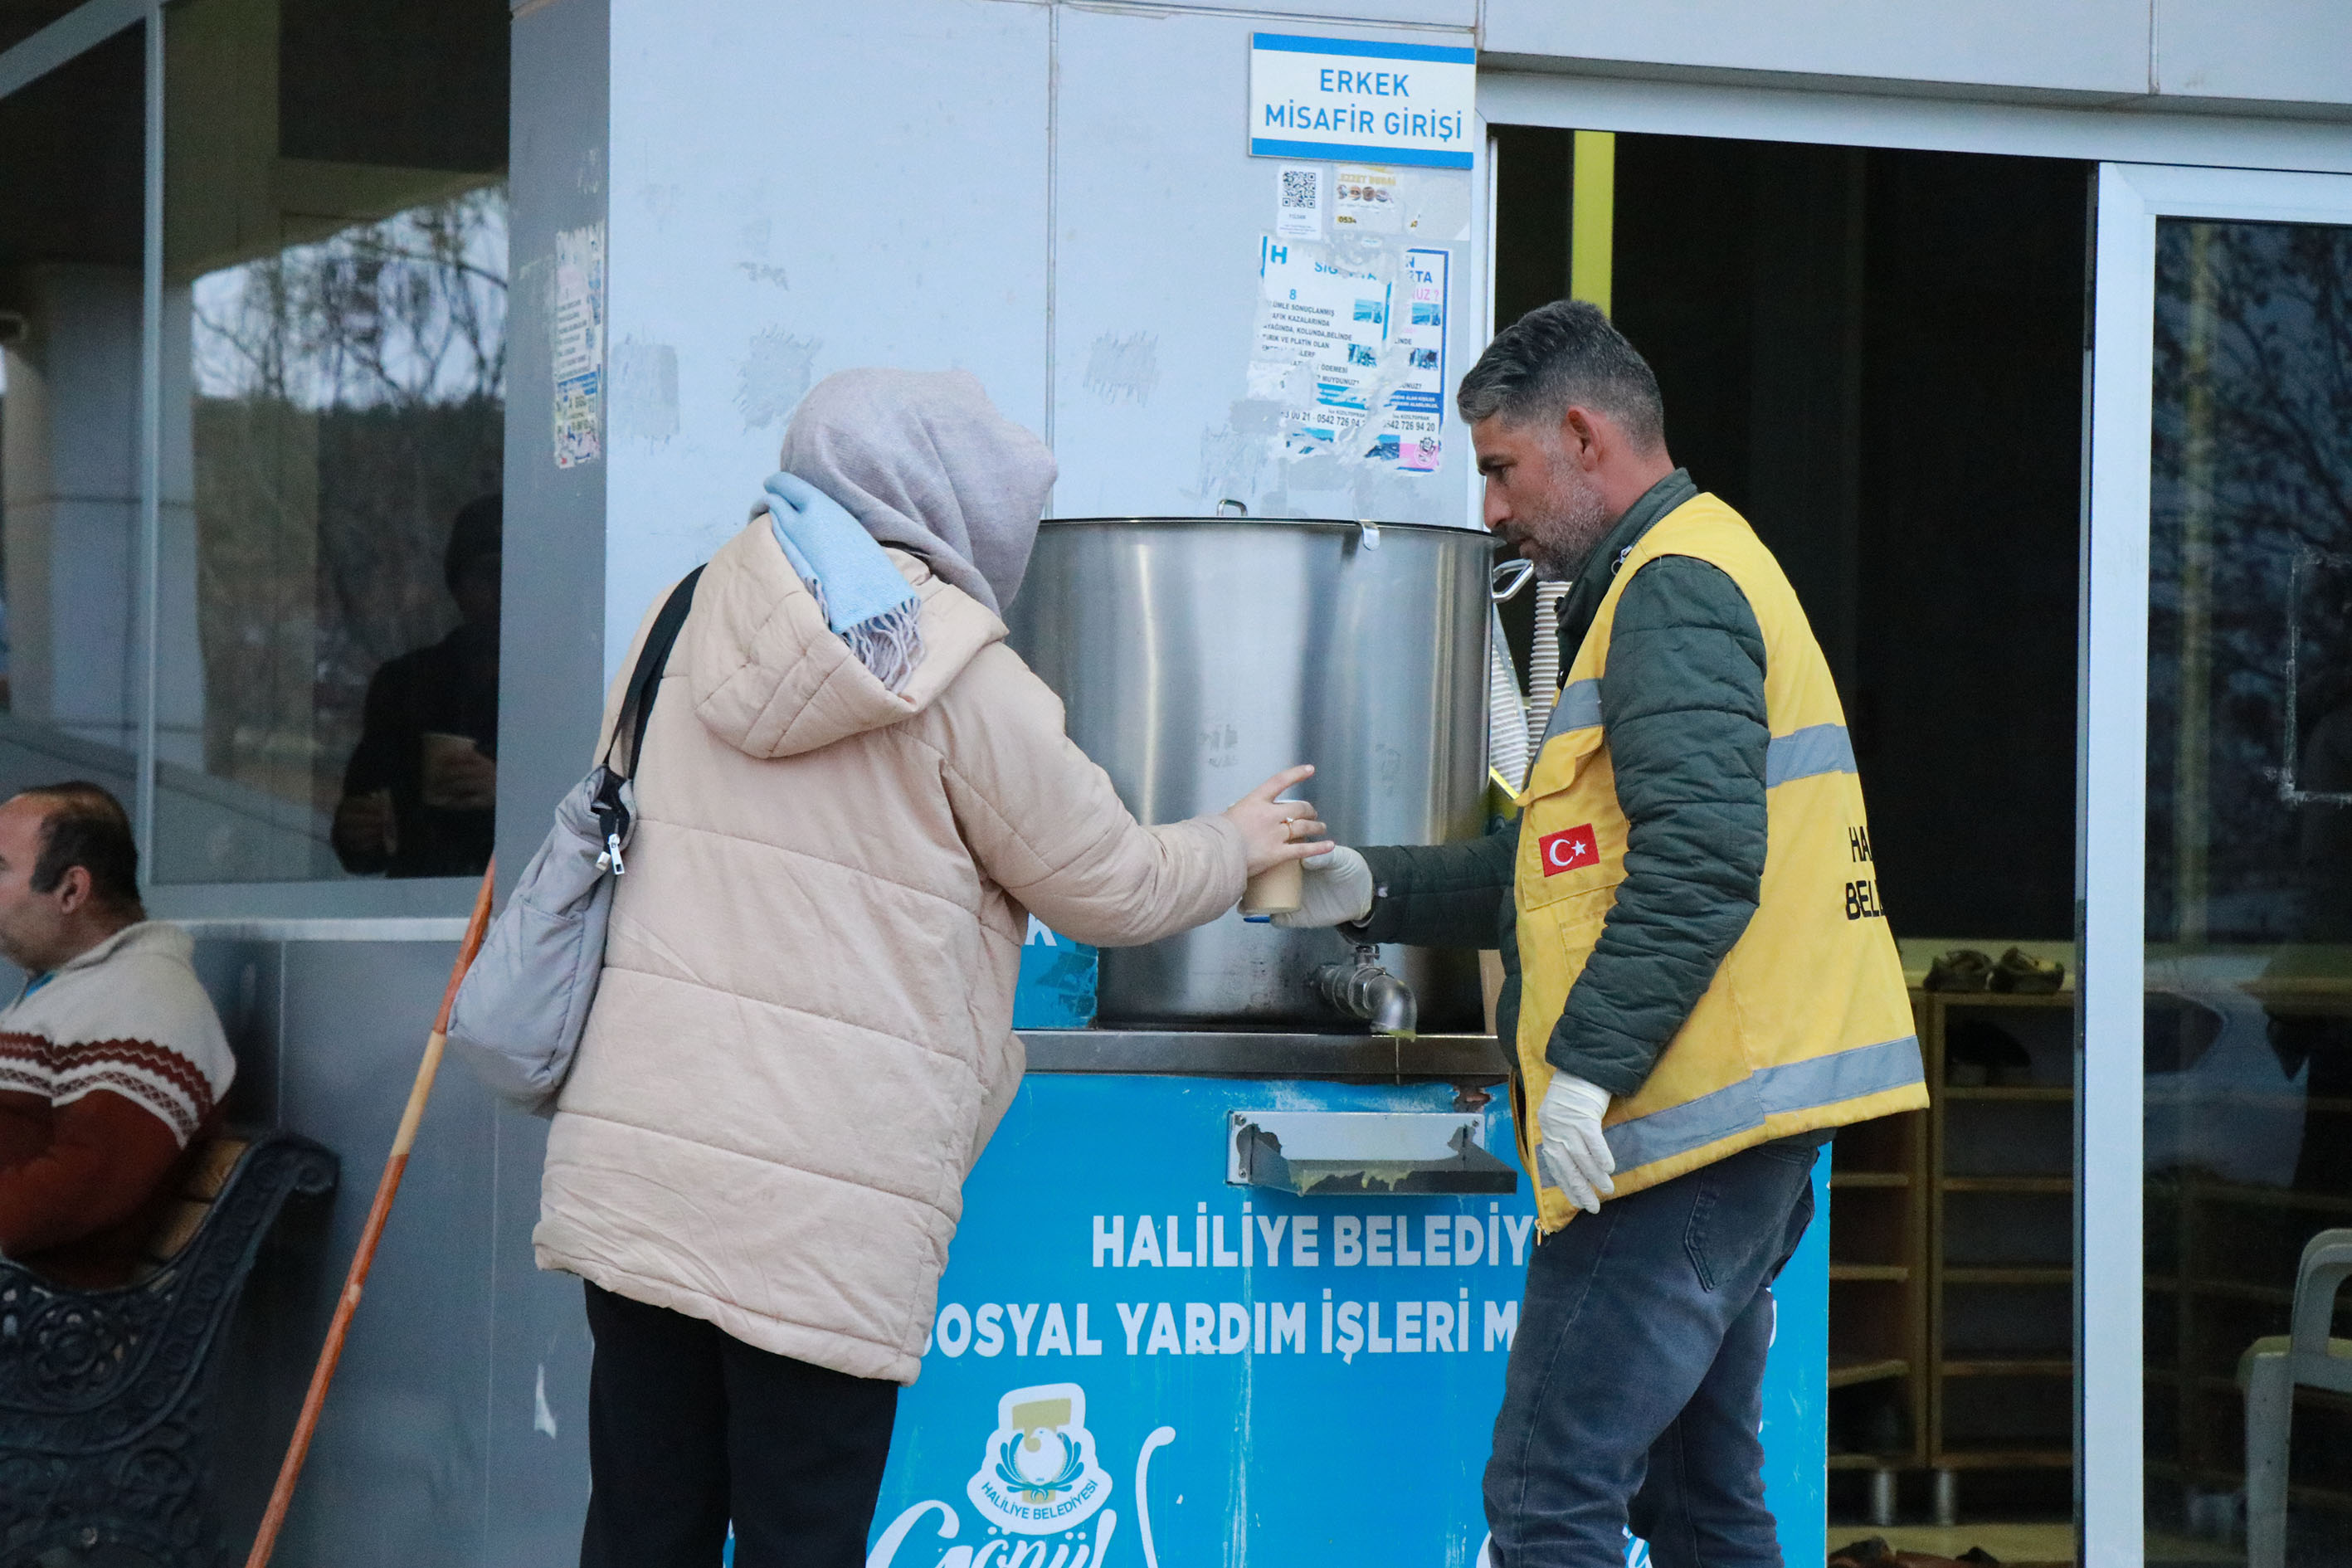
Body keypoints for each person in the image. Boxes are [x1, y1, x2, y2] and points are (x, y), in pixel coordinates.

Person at [532, 368, 1329, 1568]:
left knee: (644, 1527)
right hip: (823, 1196)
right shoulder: (956, 672)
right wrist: (1235, 843)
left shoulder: (680, 616)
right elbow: (1110, 884)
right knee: (805, 1532)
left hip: (644, 1159)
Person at [1278, 301, 1930, 1566]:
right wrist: (1367, 888)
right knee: (1691, 1498)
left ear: (1580, 435)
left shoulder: (1671, 591)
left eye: (1498, 469)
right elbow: (1560, 870)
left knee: (1549, 1485)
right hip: (1727, 1129)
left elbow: (1696, 863)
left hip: (1673, 1133)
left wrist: (1583, 1070)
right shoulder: (1681, 568)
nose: (1490, 510)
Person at [0, 782, 236, 1287]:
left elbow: (83, 1181)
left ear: (71, 891)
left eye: (0, 870)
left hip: (47, 1317)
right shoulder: (72, 986)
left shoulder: (145, 997)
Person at [332, 494, 502, 878]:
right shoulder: (405, 685)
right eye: (488, 575)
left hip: (532, 910)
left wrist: (508, 795)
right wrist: (357, 830)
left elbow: (597, 827)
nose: (502, 591)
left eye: (515, 576)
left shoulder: (561, 690)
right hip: (419, 903)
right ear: (457, 587)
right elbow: (363, 833)